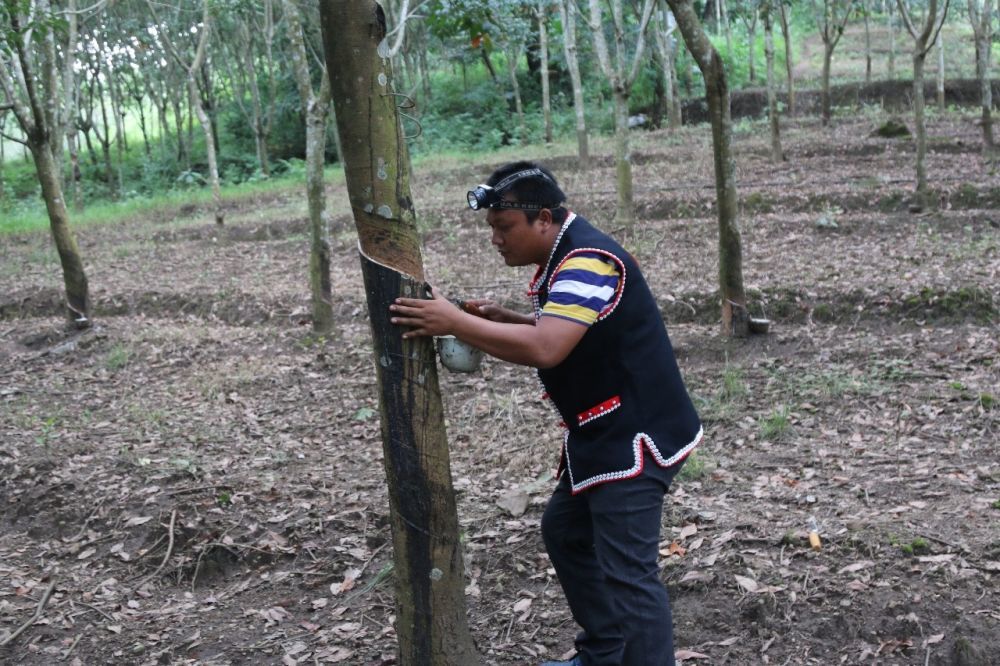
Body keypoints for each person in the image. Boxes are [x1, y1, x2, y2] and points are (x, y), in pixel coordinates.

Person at [388, 161, 703, 666]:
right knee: (566, 532)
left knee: (630, 575)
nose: (495, 239)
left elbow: (548, 347)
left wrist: (454, 323)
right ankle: (605, 652)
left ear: (544, 220)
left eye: (503, 227)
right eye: (491, 227)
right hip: (601, 435)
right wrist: (508, 320)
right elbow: (575, 330)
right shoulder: (569, 252)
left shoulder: (587, 261)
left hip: (634, 437)